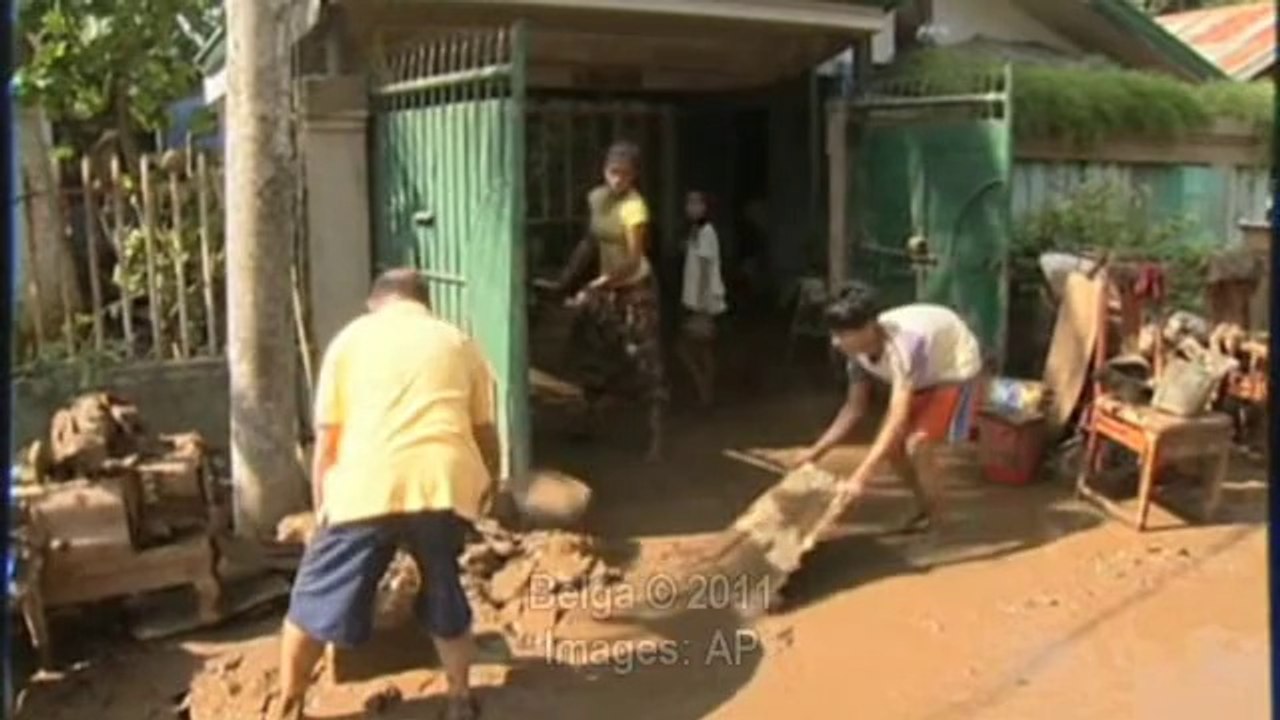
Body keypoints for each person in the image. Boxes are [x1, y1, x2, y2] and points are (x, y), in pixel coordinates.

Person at [272, 268, 500, 720]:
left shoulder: (349, 342)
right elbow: (485, 433)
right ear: (424, 303)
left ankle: (288, 704)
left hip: (365, 485)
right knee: (443, 585)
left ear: (376, 303)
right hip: (443, 483)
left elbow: (328, 442)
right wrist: (488, 486)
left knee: (312, 602)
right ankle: (459, 698)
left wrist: (324, 512)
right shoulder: (457, 342)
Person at [793, 283, 982, 533]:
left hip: (953, 370)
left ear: (870, 328)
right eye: (834, 334)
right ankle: (924, 503)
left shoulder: (906, 346)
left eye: (842, 334)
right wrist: (815, 453)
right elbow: (854, 407)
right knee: (892, 449)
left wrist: (860, 476)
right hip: (920, 376)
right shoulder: (855, 352)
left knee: (918, 444)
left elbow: (896, 416)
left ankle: (938, 518)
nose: (836, 342)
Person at [556, 141, 667, 461]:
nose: (618, 179)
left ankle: (655, 438)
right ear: (604, 171)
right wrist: (567, 281)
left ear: (634, 176)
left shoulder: (634, 207)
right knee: (592, 349)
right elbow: (590, 241)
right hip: (606, 286)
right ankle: (586, 424)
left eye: (625, 174)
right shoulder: (597, 199)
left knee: (645, 360)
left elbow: (634, 257)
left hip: (634, 286)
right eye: (613, 172)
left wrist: (602, 283)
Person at [676, 190, 727, 407]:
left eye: (697, 203)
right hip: (695, 298)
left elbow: (706, 268)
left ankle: (704, 388)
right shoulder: (696, 232)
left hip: (702, 299)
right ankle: (705, 390)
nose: (692, 207)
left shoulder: (707, 232)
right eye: (689, 203)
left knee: (688, 346)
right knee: (701, 347)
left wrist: (702, 300)